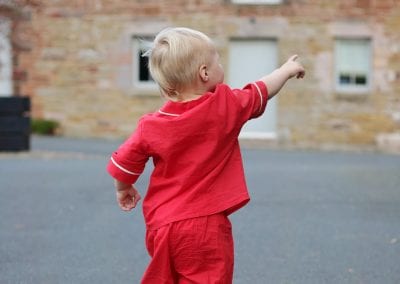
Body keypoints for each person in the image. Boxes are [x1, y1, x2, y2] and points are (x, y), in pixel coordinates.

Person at [107, 27, 305, 283]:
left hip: (162, 225)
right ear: (205, 73)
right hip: (205, 227)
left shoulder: (151, 125)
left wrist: (123, 189)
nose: (221, 64)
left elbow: (124, 163)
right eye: (218, 60)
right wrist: (286, 70)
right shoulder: (225, 106)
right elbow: (261, 89)